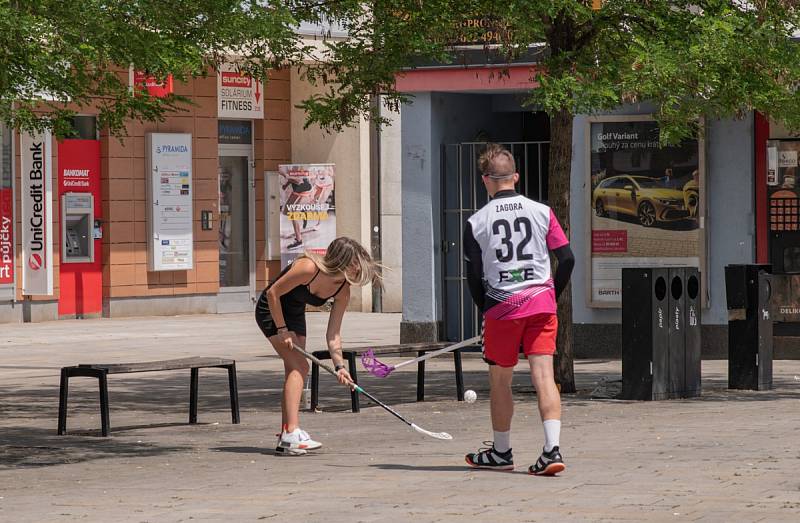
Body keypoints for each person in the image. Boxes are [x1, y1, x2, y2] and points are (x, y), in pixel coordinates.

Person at [462, 143, 575, 475]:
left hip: (501, 307)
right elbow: (567, 259)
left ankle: (501, 451)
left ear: (485, 180)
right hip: (541, 303)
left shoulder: (476, 222)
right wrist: (551, 296)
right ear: (516, 176)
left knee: (500, 381)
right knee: (544, 376)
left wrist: (486, 309)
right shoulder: (542, 211)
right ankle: (551, 450)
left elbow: (473, 276)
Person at [255, 237, 381, 456]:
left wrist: (340, 366)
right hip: (272, 310)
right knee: (300, 367)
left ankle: (286, 436)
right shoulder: (308, 268)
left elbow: (333, 334)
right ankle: (291, 432)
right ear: (342, 261)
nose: (358, 270)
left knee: (293, 370)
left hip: (294, 313)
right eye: (355, 264)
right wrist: (282, 329)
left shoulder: (343, 289)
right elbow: (272, 293)